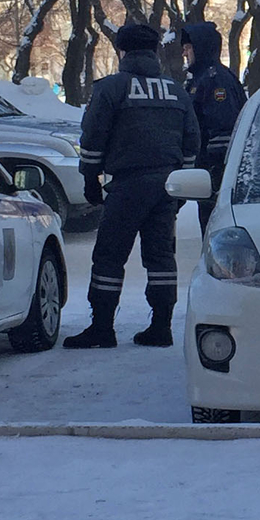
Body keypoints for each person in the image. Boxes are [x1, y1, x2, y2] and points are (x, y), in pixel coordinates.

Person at [64, 24, 200, 349]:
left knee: (110, 256)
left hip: (127, 185)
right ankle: (162, 327)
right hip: (167, 186)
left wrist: (89, 178)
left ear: (122, 51)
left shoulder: (111, 89)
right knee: (161, 257)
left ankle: (102, 328)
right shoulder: (176, 91)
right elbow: (192, 140)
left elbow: (94, 136)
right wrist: (181, 184)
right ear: (154, 52)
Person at [181, 22, 247, 235]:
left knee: (215, 231)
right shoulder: (200, 80)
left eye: (188, 47)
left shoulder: (216, 80)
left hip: (214, 172)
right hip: (206, 171)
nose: (184, 52)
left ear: (201, 47)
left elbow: (223, 126)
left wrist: (215, 171)